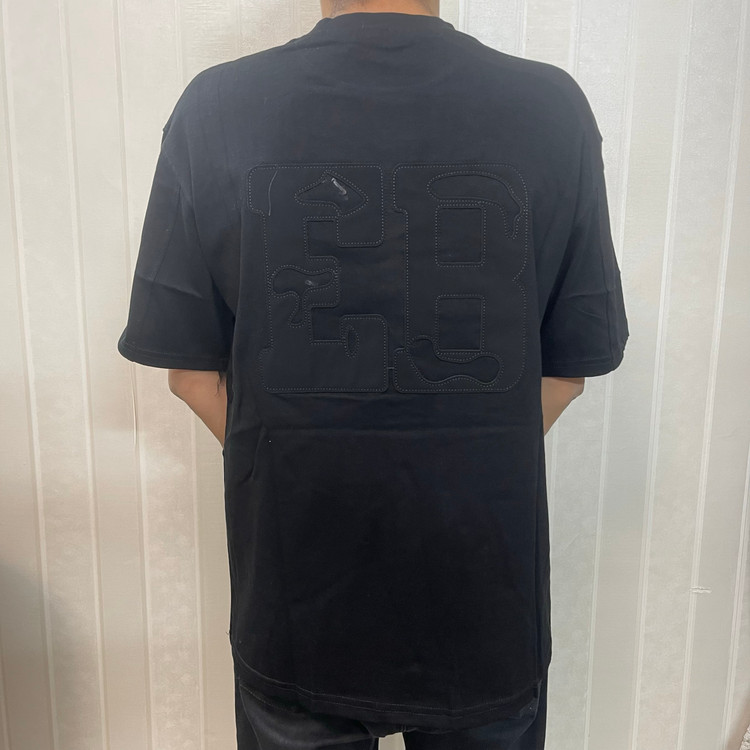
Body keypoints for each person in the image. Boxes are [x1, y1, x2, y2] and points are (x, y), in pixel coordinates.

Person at [117, 0, 629, 747]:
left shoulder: (215, 107)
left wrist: (302, 458)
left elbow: (190, 374)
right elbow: (568, 371)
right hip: (483, 602)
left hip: (296, 602)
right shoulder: (553, 108)